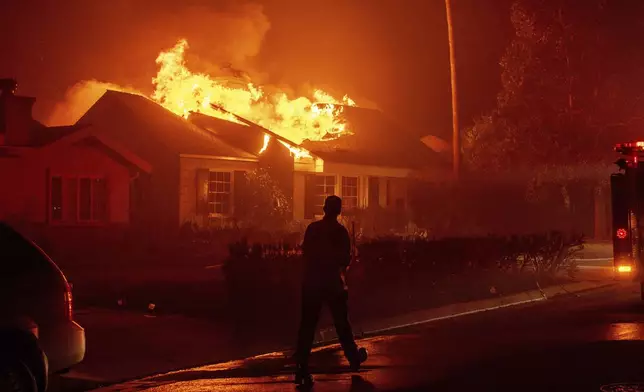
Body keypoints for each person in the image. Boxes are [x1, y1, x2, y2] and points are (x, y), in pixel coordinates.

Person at [294, 195, 367, 387]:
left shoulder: (313, 229)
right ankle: (353, 358)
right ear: (338, 211)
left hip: (312, 283)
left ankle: (301, 364)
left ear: (325, 209)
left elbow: (306, 253)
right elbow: (344, 260)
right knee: (342, 324)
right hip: (332, 284)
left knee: (307, 326)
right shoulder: (340, 232)